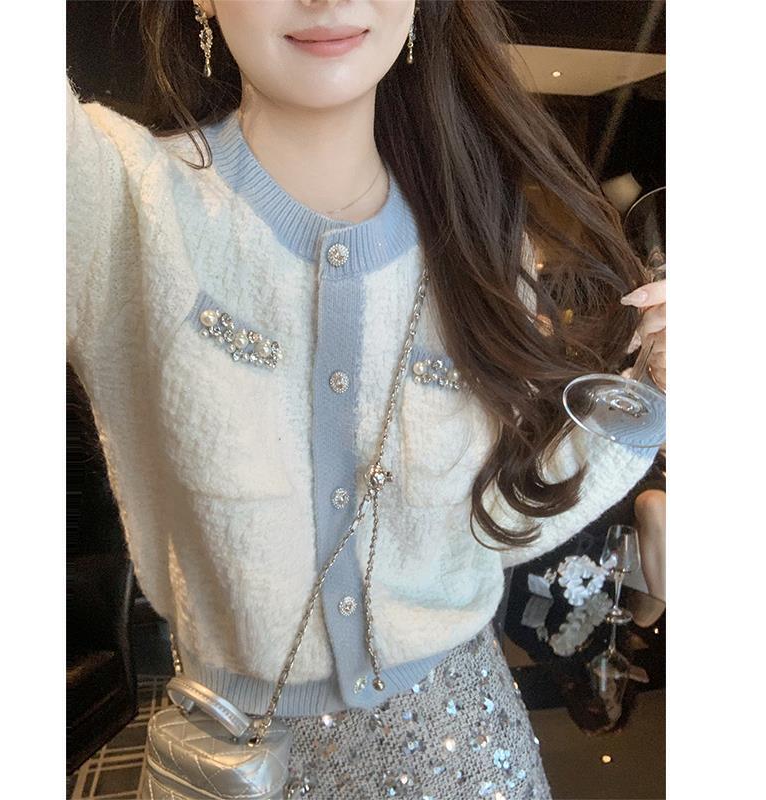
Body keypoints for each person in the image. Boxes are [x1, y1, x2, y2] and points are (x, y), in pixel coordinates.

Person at [66, 2, 667, 797]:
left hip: (466, 755)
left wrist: (654, 393)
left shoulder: (482, 239)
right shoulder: (118, 196)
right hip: (236, 763)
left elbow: (495, 524)